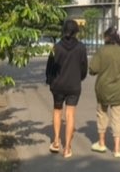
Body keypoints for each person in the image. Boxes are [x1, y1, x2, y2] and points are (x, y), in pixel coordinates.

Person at [88, 26, 120, 158]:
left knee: (102, 114)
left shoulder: (101, 51)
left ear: (106, 38)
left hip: (103, 89)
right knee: (118, 117)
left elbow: (92, 70)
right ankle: (117, 148)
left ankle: (102, 143)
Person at [45, 19, 87, 158]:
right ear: (76, 31)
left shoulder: (56, 47)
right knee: (70, 115)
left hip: (58, 85)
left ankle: (56, 141)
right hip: (74, 86)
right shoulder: (81, 47)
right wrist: (79, 78)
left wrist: (50, 81)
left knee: (57, 111)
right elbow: (83, 68)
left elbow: (49, 67)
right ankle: (67, 148)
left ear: (63, 31)